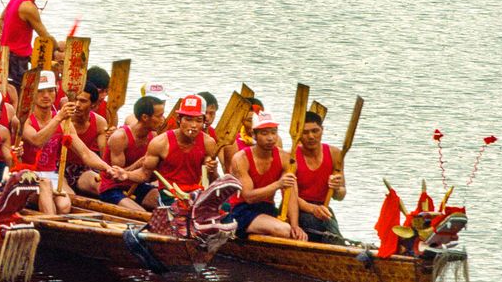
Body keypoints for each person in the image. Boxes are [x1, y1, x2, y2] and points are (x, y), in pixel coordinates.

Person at [21, 70, 113, 215]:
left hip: (50, 174)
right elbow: (37, 141)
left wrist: (107, 168)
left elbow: (85, 153)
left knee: (64, 205)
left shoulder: (65, 123)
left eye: (50, 91)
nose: (46, 96)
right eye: (40, 91)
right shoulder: (25, 119)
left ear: (56, 92)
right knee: (45, 186)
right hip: (27, 175)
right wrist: (58, 118)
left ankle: (51, 226)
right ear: (32, 93)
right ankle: (50, 227)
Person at [225, 112, 305, 241]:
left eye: (273, 132)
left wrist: (295, 225)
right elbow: (249, 197)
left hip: (267, 208)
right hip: (242, 210)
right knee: (284, 230)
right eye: (264, 133)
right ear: (254, 135)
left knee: (294, 231)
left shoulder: (285, 158)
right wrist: (278, 184)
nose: (270, 138)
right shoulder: (241, 159)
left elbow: (290, 194)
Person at [138, 94, 219, 199]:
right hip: (169, 194)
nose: (193, 125)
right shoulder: (160, 143)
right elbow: (144, 174)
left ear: (204, 122)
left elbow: (212, 179)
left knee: (226, 208)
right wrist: (125, 174)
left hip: (196, 193)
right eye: (188, 119)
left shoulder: (209, 142)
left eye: (198, 120)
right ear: (179, 119)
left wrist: (213, 170)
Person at [96, 94, 166, 210]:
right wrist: (141, 162)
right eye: (159, 116)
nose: (163, 120)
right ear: (144, 117)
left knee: (165, 206)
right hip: (112, 188)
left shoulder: (153, 136)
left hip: (137, 185)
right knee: (141, 213)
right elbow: (117, 175)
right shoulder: (120, 137)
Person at [0, 0, 62, 87]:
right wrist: (59, 48)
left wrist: (10, 39)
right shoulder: (28, 7)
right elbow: (45, 37)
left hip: (6, 54)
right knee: (22, 92)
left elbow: (0, 19)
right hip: (17, 61)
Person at [293, 111, 346, 242]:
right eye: (305, 133)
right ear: (298, 134)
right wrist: (312, 209)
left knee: (334, 236)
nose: (311, 136)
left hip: (323, 209)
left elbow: (340, 196)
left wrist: (337, 188)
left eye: (315, 131)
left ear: (322, 130)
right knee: (317, 227)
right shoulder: (291, 157)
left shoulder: (335, 154)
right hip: (298, 208)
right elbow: (289, 197)